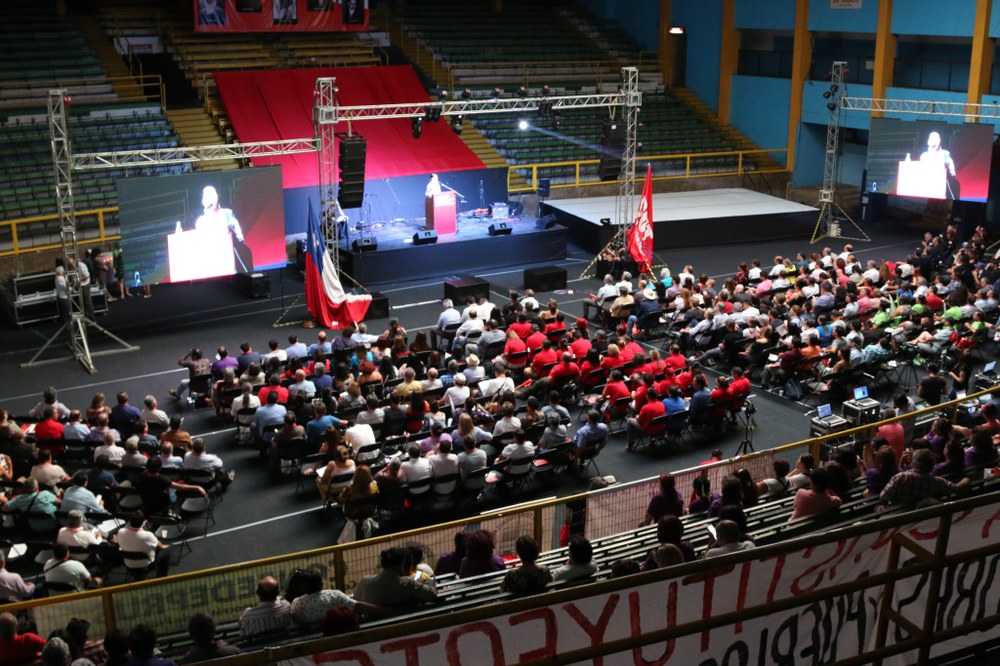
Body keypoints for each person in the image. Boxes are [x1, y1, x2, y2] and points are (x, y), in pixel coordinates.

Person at [879, 448, 970, 511]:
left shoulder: (900, 477)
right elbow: (956, 488)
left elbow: (883, 497)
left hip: (899, 516)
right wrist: (967, 478)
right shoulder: (937, 482)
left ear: (913, 463)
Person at [355, 547, 437, 608]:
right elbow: (432, 594)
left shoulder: (364, 581)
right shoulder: (409, 583)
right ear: (401, 565)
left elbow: (355, 602)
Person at [195, 185, 252, 272]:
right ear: (203, 201)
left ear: (217, 196)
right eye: (208, 196)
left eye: (213, 195)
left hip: (231, 255)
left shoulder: (227, 213)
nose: (211, 198)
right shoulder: (201, 221)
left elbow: (239, 236)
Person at [118, 513, 171, 579]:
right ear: (143, 522)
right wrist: (165, 546)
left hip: (129, 565)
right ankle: (162, 576)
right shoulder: (147, 535)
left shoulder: (120, 532)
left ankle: (138, 577)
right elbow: (161, 546)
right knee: (166, 551)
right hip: (146, 566)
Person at [918, 130, 957, 198]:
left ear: (939, 141)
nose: (935, 141)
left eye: (937, 139)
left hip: (943, 187)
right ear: (928, 142)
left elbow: (952, 173)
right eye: (932, 139)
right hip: (927, 187)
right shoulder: (924, 156)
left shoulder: (945, 153)